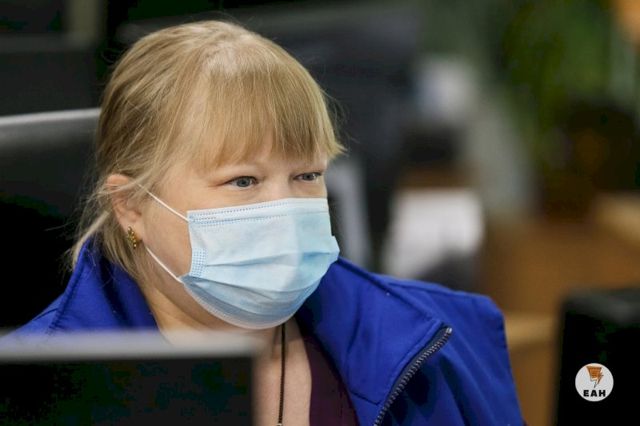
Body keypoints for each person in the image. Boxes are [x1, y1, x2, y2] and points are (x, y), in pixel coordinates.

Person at [5, 20, 523, 425]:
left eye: (307, 175)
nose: (284, 208)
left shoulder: (446, 339)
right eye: (243, 181)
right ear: (131, 206)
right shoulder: (36, 392)